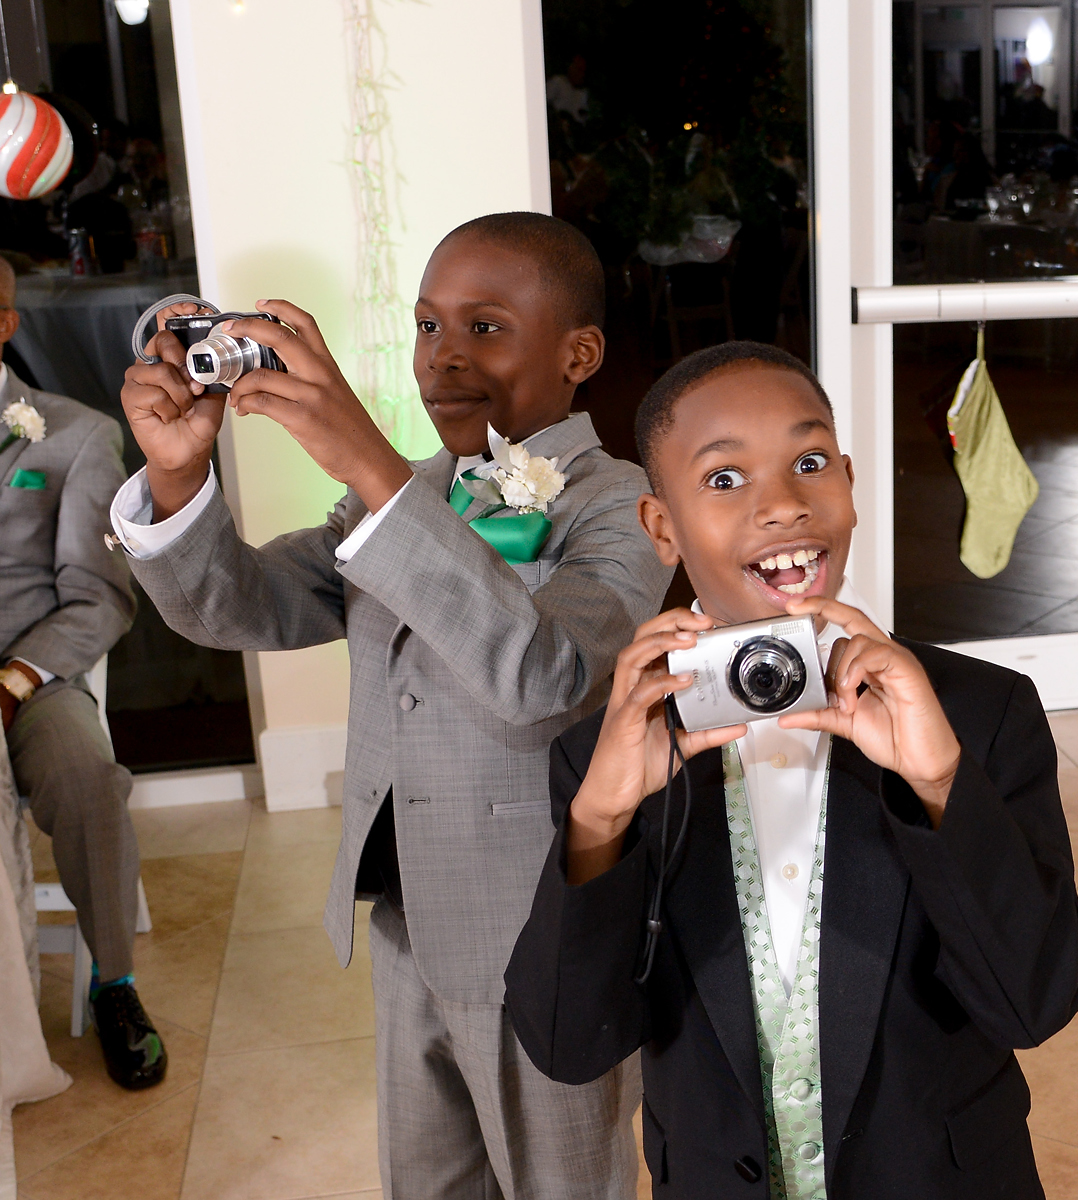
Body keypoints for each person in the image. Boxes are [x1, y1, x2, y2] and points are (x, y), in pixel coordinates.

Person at [113, 212, 666, 1198]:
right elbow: (237, 605)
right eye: (426, 325)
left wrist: (368, 464)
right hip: (409, 917)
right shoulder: (406, 491)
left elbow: (544, 677)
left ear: (578, 354)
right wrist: (177, 474)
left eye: (484, 327)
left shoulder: (620, 506)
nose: (442, 356)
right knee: (425, 1181)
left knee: (563, 1183)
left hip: (541, 932)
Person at [504, 341, 1078, 1198]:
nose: (782, 504)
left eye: (809, 464)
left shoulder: (981, 713)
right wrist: (600, 822)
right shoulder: (607, 759)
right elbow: (567, 1045)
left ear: (849, 482)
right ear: (661, 527)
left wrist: (940, 785)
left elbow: (1033, 1005)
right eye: (724, 478)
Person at [0, 258, 152, 1089]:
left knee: (89, 779)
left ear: (4, 324)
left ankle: (115, 985)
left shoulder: (77, 435)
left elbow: (100, 599)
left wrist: (18, 678)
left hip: (33, 675)